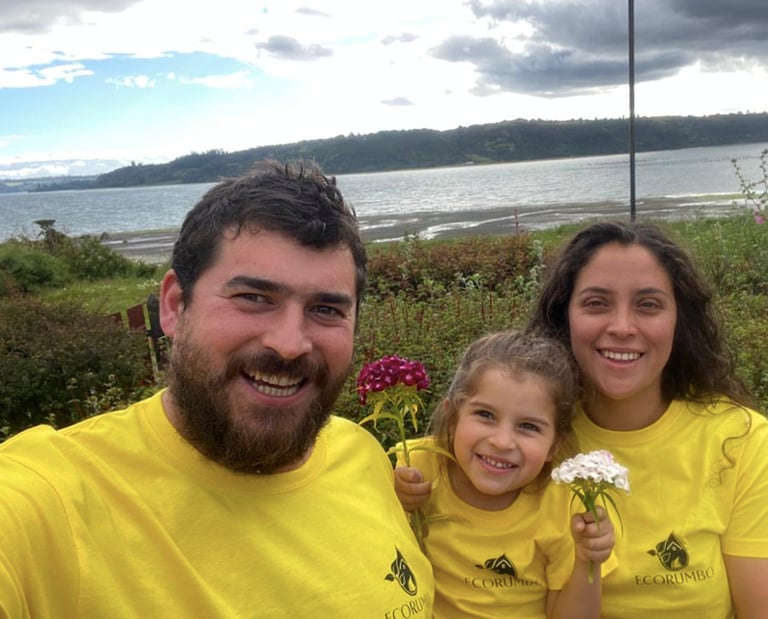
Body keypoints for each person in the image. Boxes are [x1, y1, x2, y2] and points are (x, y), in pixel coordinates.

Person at [0, 160, 434, 618]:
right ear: (174, 306)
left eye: (326, 309)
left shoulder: (362, 453)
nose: (289, 345)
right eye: (254, 298)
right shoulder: (49, 501)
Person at [527, 220, 768, 618]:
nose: (621, 327)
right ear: (563, 315)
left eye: (648, 305)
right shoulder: (524, 442)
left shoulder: (742, 441)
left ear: (680, 319)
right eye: (596, 303)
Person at [394, 330, 616, 619]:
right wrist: (394, 500)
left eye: (529, 427)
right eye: (485, 415)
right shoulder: (420, 465)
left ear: (554, 446)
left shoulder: (565, 505)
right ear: (452, 419)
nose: (502, 441)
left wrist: (588, 561)